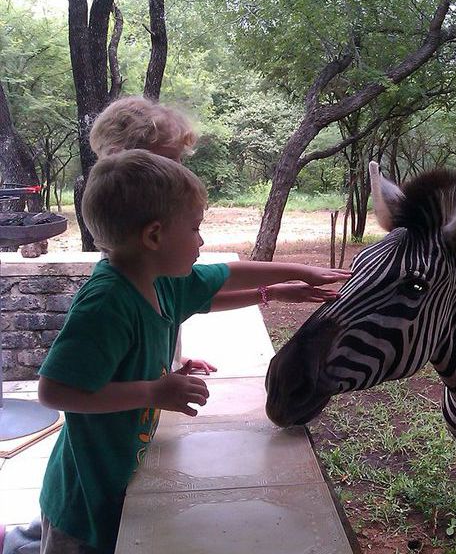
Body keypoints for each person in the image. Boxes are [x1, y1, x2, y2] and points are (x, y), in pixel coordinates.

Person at [37, 150, 350, 554]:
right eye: (195, 228)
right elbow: (55, 392)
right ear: (154, 236)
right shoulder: (107, 302)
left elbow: (223, 277)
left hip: (116, 477)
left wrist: (294, 275)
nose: (202, 241)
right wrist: (154, 391)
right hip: (81, 504)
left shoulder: (157, 278)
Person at [89, 95, 329, 374]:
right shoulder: (109, 298)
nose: (179, 172)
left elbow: (191, 295)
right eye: (168, 161)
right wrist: (153, 392)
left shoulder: (142, 266)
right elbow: (61, 390)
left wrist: (170, 363)